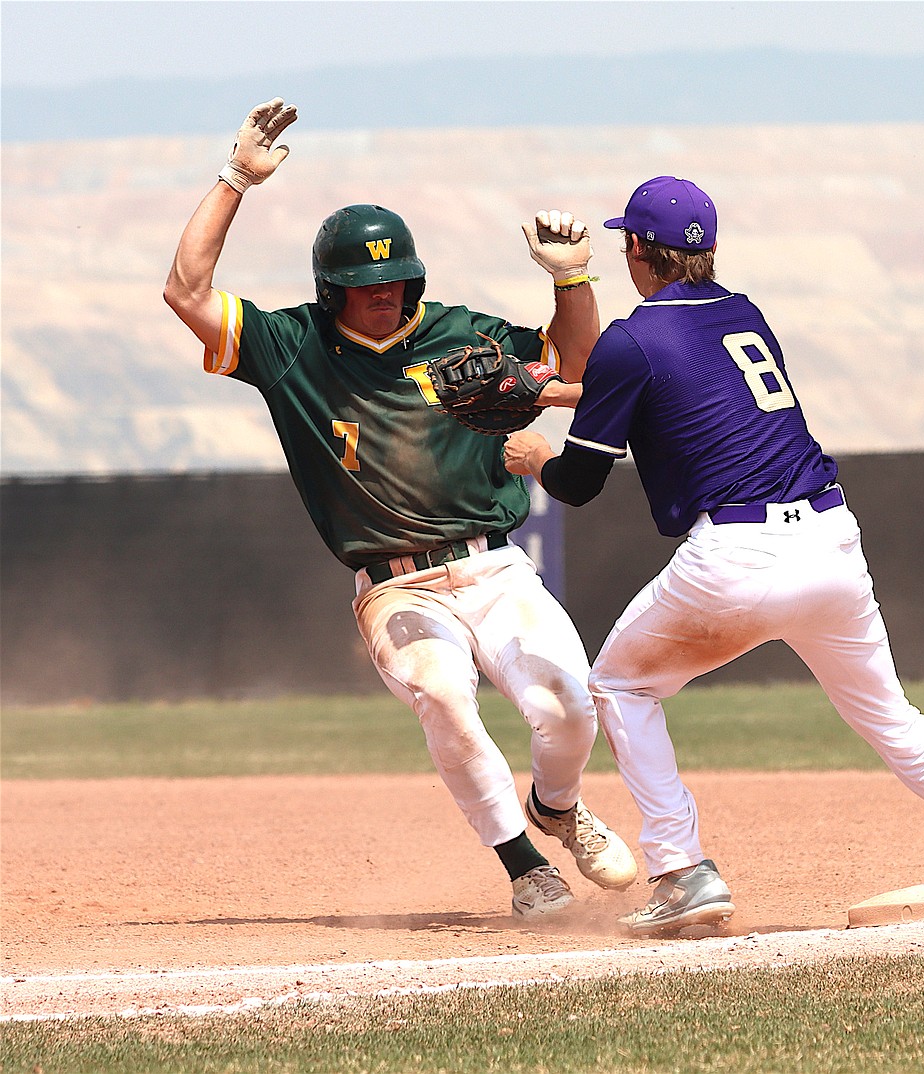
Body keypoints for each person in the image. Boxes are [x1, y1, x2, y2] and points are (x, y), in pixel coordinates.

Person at [504, 174, 924, 934]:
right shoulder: (742, 313)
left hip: (739, 557)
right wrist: (572, 394)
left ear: (636, 250)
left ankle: (681, 871)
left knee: (620, 686)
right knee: (895, 721)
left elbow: (577, 484)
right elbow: (695, 389)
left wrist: (535, 455)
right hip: (832, 541)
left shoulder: (629, 343)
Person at [163, 98, 636, 921]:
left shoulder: (464, 334)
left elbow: (578, 363)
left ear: (414, 275)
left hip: (493, 563)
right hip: (396, 587)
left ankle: (557, 807)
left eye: (393, 280)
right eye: (361, 284)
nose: (381, 294)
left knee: (568, 706)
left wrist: (570, 277)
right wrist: (237, 177)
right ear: (330, 289)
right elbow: (186, 290)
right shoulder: (292, 347)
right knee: (444, 696)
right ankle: (527, 869)